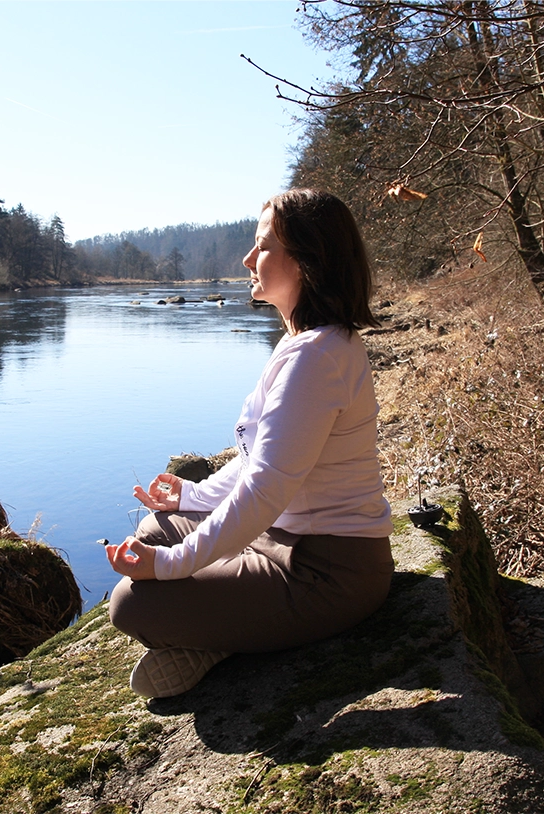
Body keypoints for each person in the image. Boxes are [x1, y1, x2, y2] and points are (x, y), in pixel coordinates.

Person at [104, 188, 395, 699]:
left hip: (325, 572)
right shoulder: (307, 342)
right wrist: (192, 496)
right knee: (156, 526)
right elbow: (263, 457)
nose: (247, 259)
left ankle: (229, 636)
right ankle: (235, 625)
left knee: (130, 603)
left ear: (305, 261)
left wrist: (173, 566)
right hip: (282, 537)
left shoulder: (314, 360)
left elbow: (265, 486)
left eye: (262, 246)